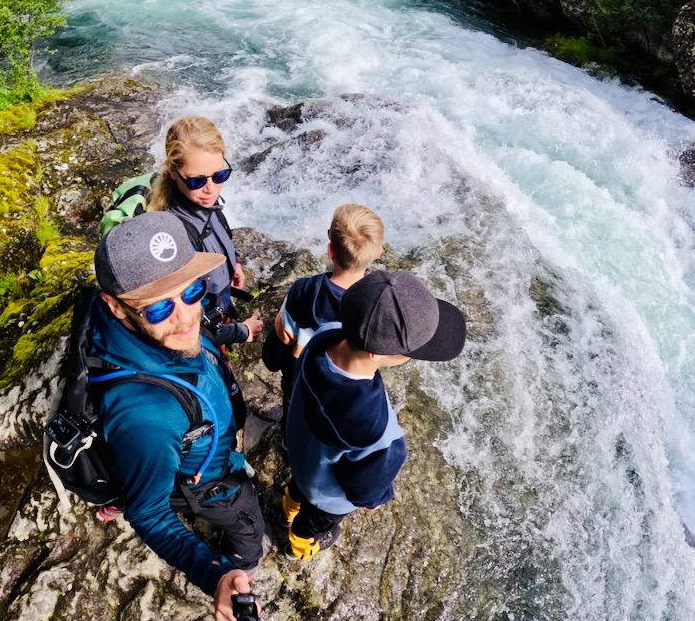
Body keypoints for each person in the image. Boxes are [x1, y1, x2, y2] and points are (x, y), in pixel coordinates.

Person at [89, 211, 264, 621]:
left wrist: (236, 331)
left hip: (204, 430)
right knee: (249, 530)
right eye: (157, 308)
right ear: (115, 307)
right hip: (207, 485)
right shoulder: (147, 416)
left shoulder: (165, 329)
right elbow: (148, 512)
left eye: (193, 290)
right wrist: (214, 574)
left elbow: (192, 329)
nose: (185, 316)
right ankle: (244, 555)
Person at [284, 270, 467, 559]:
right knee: (313, 522)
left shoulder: (323, 334)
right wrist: (376, 500)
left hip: (299, 455)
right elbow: (365, 489)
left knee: (297, 490)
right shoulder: (381, 432)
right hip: (325, 496)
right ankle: (300, 545)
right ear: (376, 355)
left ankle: (289, 504)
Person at [148, 116, 263, 347]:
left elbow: (217, 231)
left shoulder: (203, 202)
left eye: (220, 175)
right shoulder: (174, 239)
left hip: (219, 304)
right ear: (172, 172)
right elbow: (187, 326)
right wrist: (242, 331)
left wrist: (234, 262)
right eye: (196, 181)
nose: (211, 188)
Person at [263, 204, 385, 423]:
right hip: (343, 395)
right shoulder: (377, 306)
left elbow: (279, 344)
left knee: (296, 417)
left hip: (299, 384)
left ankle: (290, 443)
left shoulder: (303, 290)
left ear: (330, 250)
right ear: (378, 252)